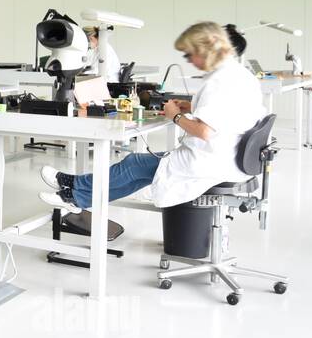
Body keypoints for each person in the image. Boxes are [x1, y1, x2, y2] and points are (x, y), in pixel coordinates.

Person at [39, 21, 265, 212]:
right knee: (136, 172)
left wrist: (175, 116)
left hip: (210, 160)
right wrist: (190, 106)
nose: (191, 59)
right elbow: (225, 114)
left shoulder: (218, 81)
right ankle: (77, 195)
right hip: (230, 157)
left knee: (133, 164)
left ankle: (73, 193)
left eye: (193, 53)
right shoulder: (242, 76)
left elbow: (205, 131)